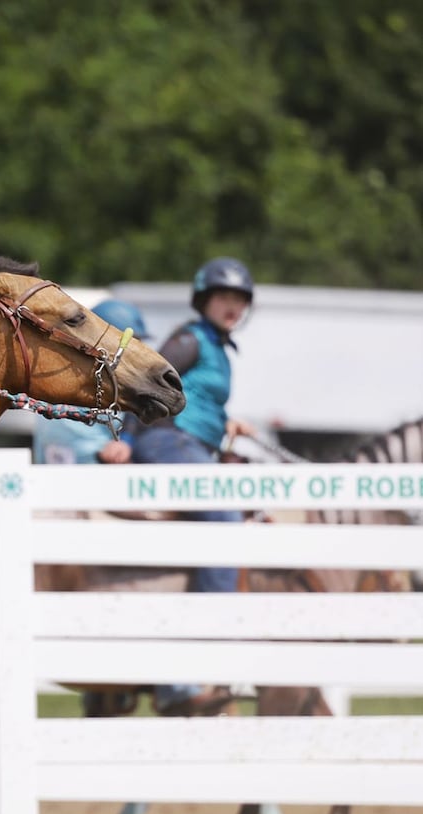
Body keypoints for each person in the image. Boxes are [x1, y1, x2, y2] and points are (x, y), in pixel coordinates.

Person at [132, 256, 258, 716]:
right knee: (223, 521)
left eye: (240, 300)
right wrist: (127, 439)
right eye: (225, 298)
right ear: (206, 300)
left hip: (194, 443)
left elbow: (201, 398)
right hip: (168, 440)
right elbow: (146, 382)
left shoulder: (217, 346)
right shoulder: (189, 340)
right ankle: (202, 653)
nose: (233, 307)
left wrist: (227, 423)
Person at [31, 298, 148, 467]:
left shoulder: (113, 388)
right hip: (74, 485)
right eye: (128, 348)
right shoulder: (67, 390)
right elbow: (109, 457)